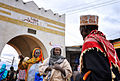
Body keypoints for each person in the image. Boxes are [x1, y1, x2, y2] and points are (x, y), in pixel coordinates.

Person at [76, 15, 120, 81]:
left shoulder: (90, 43)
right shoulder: (105, 41)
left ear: (84, 29)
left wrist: (80, 77)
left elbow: (99, 75)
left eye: (80, 29)